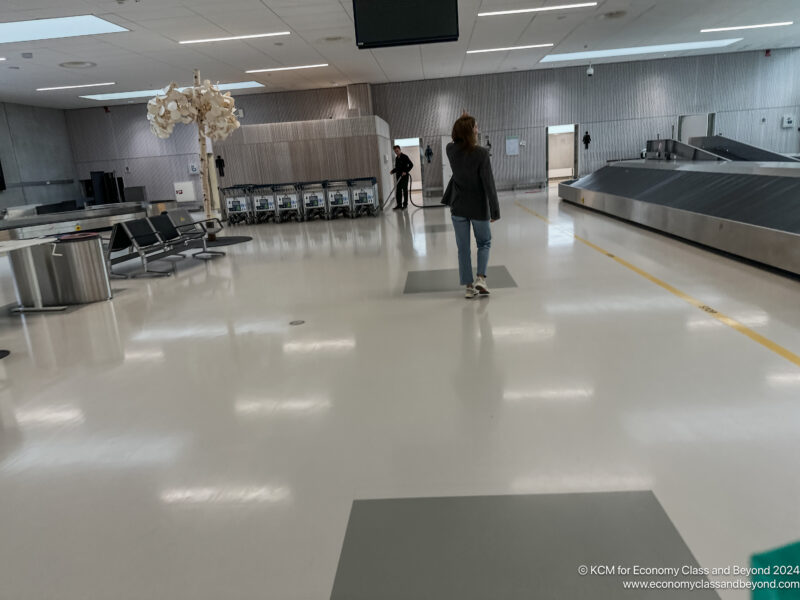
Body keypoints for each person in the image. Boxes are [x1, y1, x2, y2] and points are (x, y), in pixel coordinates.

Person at [442, 113, 500, 298]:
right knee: (484, 242)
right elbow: (488, 183)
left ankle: (468, 287)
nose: (478, 129)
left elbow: (454, 142)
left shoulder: (450, 150)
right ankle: (480, 279)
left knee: (463, 247)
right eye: (475, 126)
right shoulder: (481, 153)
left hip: (458, 206)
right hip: (478, 207)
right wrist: (495, 210)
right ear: (470, 131)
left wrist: (462, 121)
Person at [390, 145, 413, 210]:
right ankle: (399, 205)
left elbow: (411, 165)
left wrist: (406, 171)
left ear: (400, 150)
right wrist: (393, 171)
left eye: (397, 151)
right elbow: (397, 168)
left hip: (404, 177)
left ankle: (405, 204)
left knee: (405, 190)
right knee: (398, 191)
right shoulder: (397, 158)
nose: (396, 152)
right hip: (398, 177)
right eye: (395, 152)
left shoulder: (405, 157)